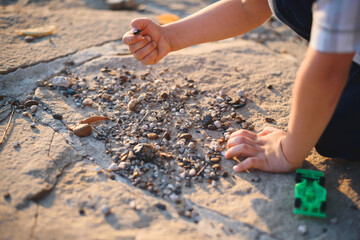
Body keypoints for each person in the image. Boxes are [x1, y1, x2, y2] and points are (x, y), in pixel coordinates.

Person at [122, 0, 360, 173]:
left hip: (341, 52)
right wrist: (169, 37)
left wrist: (288, 152)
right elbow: (249, 6)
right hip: (345, 47)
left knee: (334, 135)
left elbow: (328, 71)